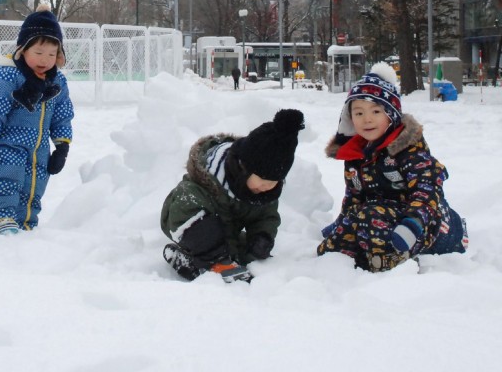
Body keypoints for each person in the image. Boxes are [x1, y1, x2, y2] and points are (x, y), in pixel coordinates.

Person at [317, 62, 468, 272]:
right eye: (358, 113)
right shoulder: (356, 155)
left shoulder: (408, 151)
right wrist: (343, 225)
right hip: (380, 216)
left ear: (391, 114)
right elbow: (354, 196)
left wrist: (413, 224)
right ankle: (340, 265)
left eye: (376, 111)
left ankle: (389, 263)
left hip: (427, 223)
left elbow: (426, 191)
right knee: (336, 243)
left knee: (371, 217)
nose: (367, 119)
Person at [160, 108, 305, 282]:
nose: (267, 187)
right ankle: (216, 262)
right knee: (202, 230)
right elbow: (181, 208)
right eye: (263, 179)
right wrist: (217, 252)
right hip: (188, 223)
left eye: (274, 182)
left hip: (227, 234)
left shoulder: (262, 192)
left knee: (242, 249)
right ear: (243, 168)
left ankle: (200, 265)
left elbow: (266, 216)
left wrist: (262, 237)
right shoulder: (207, 181)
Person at [0, 4, 75, 234]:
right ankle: (1, 218)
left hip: (38, 148)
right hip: (7, 144)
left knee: (35, 184)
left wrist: (62, 147)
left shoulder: (56, 82)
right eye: (39, 53)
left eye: (52, 54)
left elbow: (62, 116)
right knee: (7, 179)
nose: (45, 60)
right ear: (23, 50)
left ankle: (27, 222)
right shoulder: (9, 74)